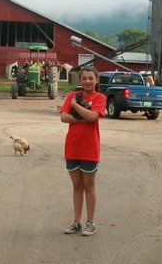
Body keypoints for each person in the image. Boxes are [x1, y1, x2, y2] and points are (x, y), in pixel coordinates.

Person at [60, 66, 106, 236]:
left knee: (89, 186)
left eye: (90, 78)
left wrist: (75, 107)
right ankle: (76, 222)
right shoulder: (73, 95)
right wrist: (85, 116)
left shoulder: (100, 97)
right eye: (84, 78)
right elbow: (63, 117)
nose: (87, 81)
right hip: (72, 147)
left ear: (96, 81)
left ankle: (90, 222)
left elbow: (94, 117)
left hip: (90, 149)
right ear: (80, 80)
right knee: (77, 186)